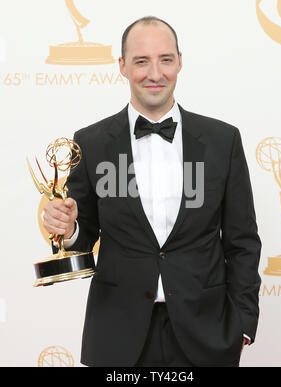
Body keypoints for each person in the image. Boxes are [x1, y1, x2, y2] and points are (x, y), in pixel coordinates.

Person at [43, 16, 262, 367]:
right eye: (141, 61)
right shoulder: (91, 143)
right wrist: (69, 230)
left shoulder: (224, 140)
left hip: (207, 335)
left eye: (165, 59)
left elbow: (243, 243)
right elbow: (83, 236)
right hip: (117, 335)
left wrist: (242, 326)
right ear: (122, 67)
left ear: (179, 61)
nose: (155, 73)